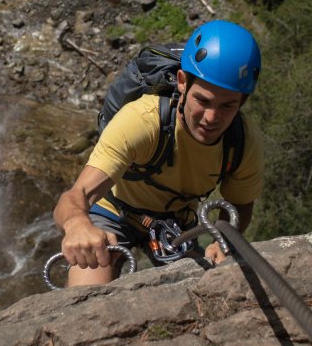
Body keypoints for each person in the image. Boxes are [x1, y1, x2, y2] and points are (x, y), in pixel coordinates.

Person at [53, 20, 264, 286]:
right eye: (203, 101)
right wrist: (76, 225)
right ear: (182, 83)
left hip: (175, 225)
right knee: (83, 295)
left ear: (242, 103)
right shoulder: (142, 120)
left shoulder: (242, 141)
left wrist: (225, 240)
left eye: (227, 106)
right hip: (113, 212)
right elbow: (75, 196)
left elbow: (241, 203)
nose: (212, 117)